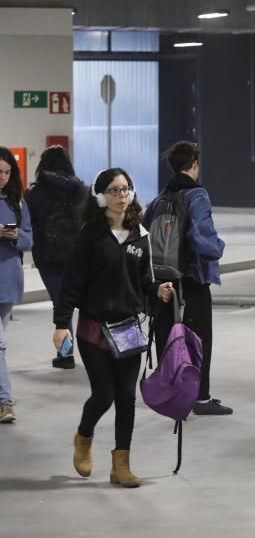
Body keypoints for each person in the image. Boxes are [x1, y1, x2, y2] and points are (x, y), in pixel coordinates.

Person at [53, 168, 173, 487]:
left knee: (126, 398)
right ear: (100, 196)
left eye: (126, 190)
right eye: (115, 190)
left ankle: (121, 465)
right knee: (103, 395)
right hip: (93, 329)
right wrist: (61, 324)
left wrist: (157, 291)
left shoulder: (140, 235)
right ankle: (84, 435)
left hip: (128, 327)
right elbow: (72, 283)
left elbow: (144, 281)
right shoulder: (90, 235)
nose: (122, 196)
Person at [145, 141, 231, 416]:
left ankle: (172, 394)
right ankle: (200, 398)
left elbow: (145, 233)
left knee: (168, 338)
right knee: (199, 339)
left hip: (164, 283)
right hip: (192, 281)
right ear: (194, 164)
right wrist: (219, 247)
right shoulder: (197, 195)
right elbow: (202, 238)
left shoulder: (160, 198)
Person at [24, 146, 87, 370]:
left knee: (61, 303)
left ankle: (66, 354)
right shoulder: (80, 190)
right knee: (85, 304)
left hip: (48, 257)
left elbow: (27, 224)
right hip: (78, 256)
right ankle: (96, 352)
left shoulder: (35, 192)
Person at [0, 147, 32, 424]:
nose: (2, 177)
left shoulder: (18, 202)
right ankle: (5, 400)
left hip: (9, 278)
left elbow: (29, 240)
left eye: (7, 172)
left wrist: (13, 235)